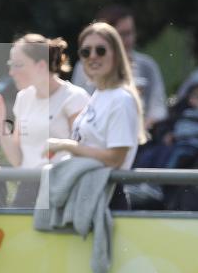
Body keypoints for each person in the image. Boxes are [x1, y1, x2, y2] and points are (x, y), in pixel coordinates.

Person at [50, 22, 147, 209]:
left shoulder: (121, 99)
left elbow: (115, 158)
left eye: (100, 50)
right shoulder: (99, 94)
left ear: (116, 55)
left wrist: (66, 145)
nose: (92, 56)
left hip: (108, 196)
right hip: (88, 191)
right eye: (86, 52)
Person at [0, 34, 89, 207]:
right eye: (11, 65)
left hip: (62, 191)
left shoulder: (75, 98)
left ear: (41, 66)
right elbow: (18, 161)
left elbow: (83, 153)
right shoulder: (23, 98)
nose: (11, 72)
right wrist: (0, 124)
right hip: (27, 191)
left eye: (18, 65)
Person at [72, 5, 167, 129]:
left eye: (130, 33)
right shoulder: (86, 65)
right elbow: (80, 107)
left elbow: (158, 108)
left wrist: (141, 130)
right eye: (121, 35)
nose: (128, 40)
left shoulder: (146, 66)